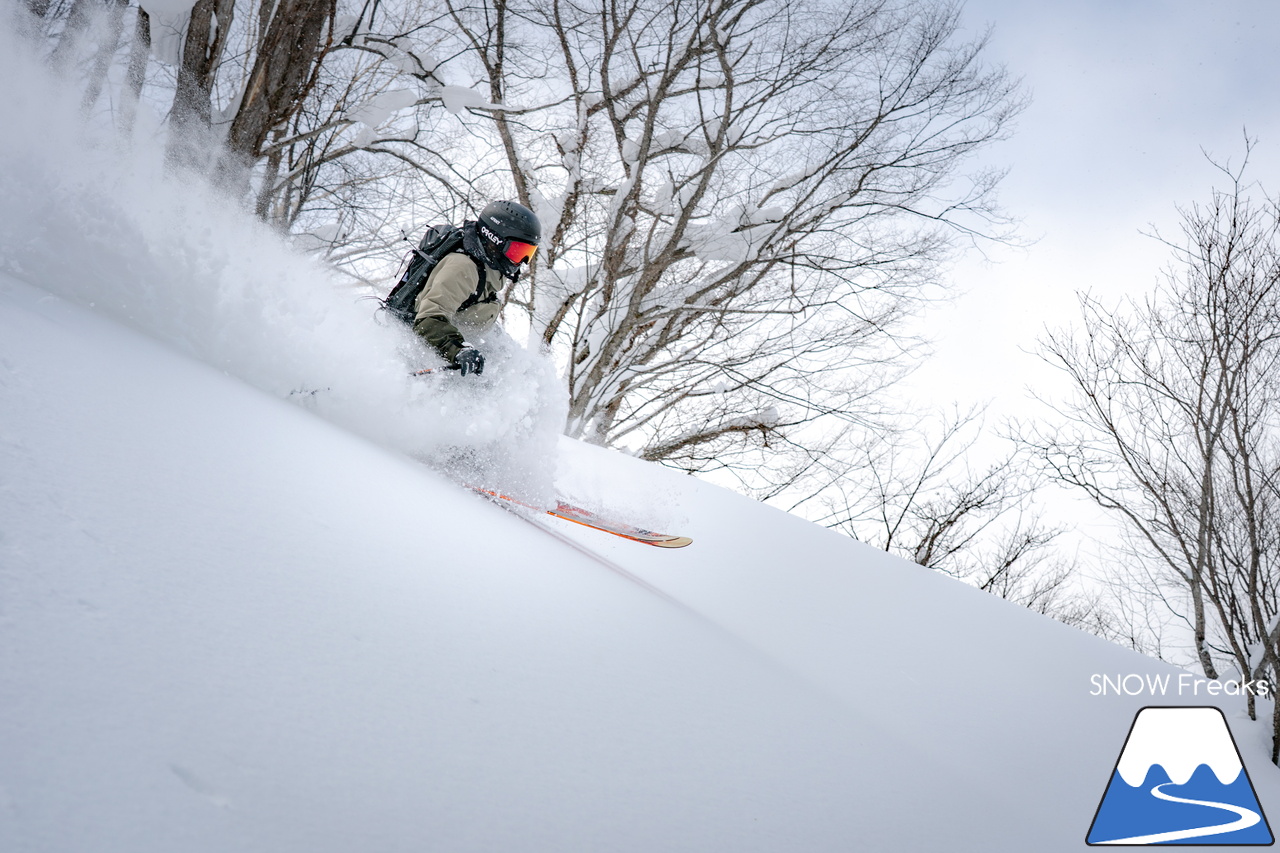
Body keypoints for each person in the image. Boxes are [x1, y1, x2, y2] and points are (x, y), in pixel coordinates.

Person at [412, 200, 541, 376]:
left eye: (527, 254)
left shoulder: (488, 270)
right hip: (432, 353)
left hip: (467, 348)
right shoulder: (463, 267)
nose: (521, 262)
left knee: (522, 372)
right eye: (517, 251)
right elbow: (429, 317)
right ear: (495, 239)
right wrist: (459, 351)